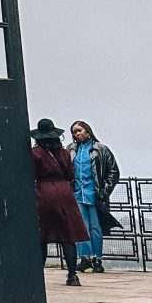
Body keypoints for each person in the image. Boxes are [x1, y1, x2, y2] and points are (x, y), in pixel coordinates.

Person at [31, 117, 88, 287]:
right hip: (65, 193)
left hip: (44, 192)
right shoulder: (63, 153)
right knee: (68, 236)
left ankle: (38, 276)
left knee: (42, 236)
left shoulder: (35, 153)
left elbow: (32, 174)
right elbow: (71, 174)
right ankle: (72, 275)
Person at [68, 120, 120, 272]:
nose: (77, 134)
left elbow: (113, 172)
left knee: (95, 227)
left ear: (87, 131)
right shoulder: (71, 150)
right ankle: (85, 258)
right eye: (74, 132)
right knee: (81, 227)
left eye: (79, 130)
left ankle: (97, 258)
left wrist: (104, 191)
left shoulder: (101, 149)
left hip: (95, 194)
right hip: (77, 193)